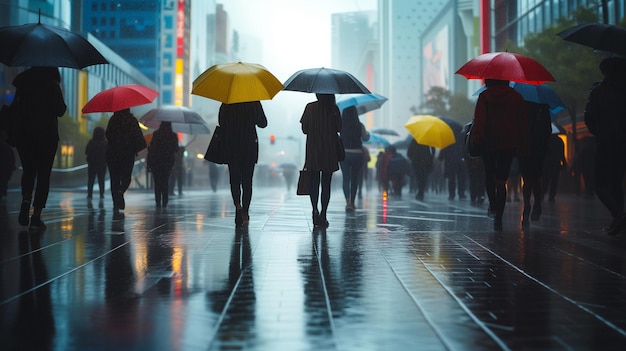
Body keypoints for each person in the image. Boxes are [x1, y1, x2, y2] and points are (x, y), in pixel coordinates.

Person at [12, 67, 67, 229]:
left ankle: (26, 199)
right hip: (46, 137)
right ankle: (36, 216)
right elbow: (60, 110)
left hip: (25, 135)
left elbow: (16, 107)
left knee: (28, 170)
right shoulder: (52, 84)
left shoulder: (23, 82)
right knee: (44, 175)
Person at [470, 78, 528, 230]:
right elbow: (522, 122)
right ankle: (499, 217)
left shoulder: (485, 97)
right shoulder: (516, 97)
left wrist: (477, 139)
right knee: (502, 180)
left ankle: (493, 205)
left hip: (488, 143)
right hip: (508, 144)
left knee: (489, 175)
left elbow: (479, 121)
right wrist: (522, 144)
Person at [584, 57, 626, 235]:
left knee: (600, 184)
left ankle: (618, 215)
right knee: (617, 182)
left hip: (606, 142)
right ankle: (618, 221)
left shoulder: (599, 90)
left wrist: (597, 132)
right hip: (623, 143)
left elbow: (589, 117)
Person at [219, 101, 267, 227]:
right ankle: (245, 211)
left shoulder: (227, 102)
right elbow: (263, 123)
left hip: (232, 145)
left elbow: (221, 122)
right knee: (247, 182)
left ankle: (237, 206)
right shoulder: (254, 102)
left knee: (234, 180)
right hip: (249, 146)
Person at [300, 94, 342, 228]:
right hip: (329, 150)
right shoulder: (333, 109)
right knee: (326, 184)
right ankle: (323, 213)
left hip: (313, 149)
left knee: (314, 182)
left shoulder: (310, 107)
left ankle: (314, 210)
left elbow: (304, 129)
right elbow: (339, 128)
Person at [105, 108, 147, 219]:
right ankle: (121, 191)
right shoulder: (131, 120)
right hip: (127, 154)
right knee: (126, 177)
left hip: (113, 153)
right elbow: (138, 136)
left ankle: (115, 203)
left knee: (114, 178)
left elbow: (108, 134)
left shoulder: (113, 119)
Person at [519, 102, 551, 226]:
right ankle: (536, 204)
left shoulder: (521, 106)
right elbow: (547, 129)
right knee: (536, 178)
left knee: (527, 179)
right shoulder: (542, 107)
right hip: (538, 148)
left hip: (525, 147)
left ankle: (528, 205)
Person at [339, 105, 370, 211]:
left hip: (345, 154)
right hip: (357, 154)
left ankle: (347, 202)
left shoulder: (341, 125)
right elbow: (366, 138)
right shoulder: (359, 125)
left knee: (346, 178)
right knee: (355, 179)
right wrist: (367, 134)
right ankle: (353, 202)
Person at [147, 122, 179, 208]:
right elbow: (176, 149)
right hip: (168, 161)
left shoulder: (156, 134)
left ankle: (158, 200)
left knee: (157, 181)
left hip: (156, 161)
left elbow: (152, 147)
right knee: (165, 180)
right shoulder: (173, 135)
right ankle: (165, 200)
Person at [542, 134, 566, 203]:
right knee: (554, 181)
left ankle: (543, 193)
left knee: (545, 180)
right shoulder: (559, 141)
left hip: (546, 164)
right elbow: (562, 154)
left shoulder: (546, 141)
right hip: (556, 163)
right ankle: (551, 196)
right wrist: (563, 163)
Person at [85, 126, 108, 200]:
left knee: (91, 179)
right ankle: (101, 194)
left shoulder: (91, 142)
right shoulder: (105, 143)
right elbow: (108, 154)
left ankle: (89, 194)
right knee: (101, 180)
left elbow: (86, 151)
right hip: (102, 164)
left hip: (92, 164)